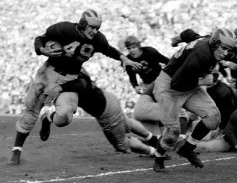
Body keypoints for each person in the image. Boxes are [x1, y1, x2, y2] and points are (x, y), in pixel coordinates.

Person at [8, 9, 141, 165]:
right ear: (83, 24)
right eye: (91, 27)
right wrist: (42, 50)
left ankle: (48, 118)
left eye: (97, 28)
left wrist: (123, 58)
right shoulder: (64, 29)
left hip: (69, 78)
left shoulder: (98, 39)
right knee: (32, 108)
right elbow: (40, 38)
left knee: (64, 117)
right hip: (48, 72)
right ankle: (17, 150)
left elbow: (109, 50)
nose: (94, 31)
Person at [152, 28, 236, 172]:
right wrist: (203, 82)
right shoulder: (201, 55)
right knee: (173, 132)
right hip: (169, 86)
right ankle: (159, 158)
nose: (226, 53)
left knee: (213, 117)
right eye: (224, 48)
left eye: (228, 49)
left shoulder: (208, 40)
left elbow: (189, 34)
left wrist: (177, 38)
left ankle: (187, 148)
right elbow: (176, 84)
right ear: (215, 43)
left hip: (187, 83)